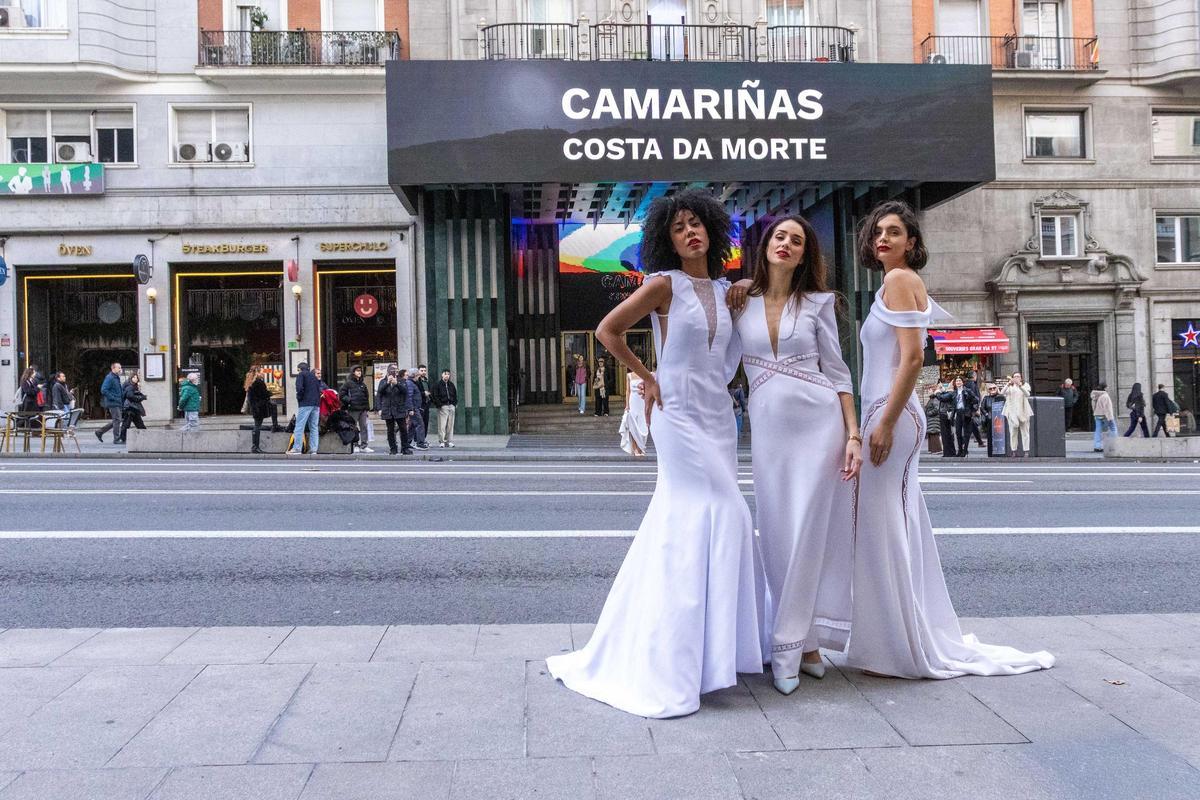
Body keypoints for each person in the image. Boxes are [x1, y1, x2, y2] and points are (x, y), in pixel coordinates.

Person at [547, 188, 762, 718]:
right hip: (679, 414)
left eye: (697, 224)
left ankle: (711, 655)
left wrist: (748, 287)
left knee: (693, 521)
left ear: (713, 231)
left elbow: (742, 336)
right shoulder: (664, 285)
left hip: (718, 415)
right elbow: (607, 330)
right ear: (666, 239)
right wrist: (647, 378)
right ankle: (679, 657)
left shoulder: (726, 288)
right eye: (679, 227)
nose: (690, 232)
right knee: (720, 513)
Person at [846, 199, 1053, 679]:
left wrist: (885, 422)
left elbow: (913, 359)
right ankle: (897, 637)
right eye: (878, 231)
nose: (883, 238)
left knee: (886, 526)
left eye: (894, 232)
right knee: (892, 522)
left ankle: (900, 645)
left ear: (912, 243)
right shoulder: (890, 284)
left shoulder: (900, 280)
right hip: (888, 413)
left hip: (891, 416)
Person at [725, 213, 861, 695]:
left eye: (796, 240)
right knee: (778, 532)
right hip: (769, 432)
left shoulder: (820, 304)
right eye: (779, 236)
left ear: (806, 254)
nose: (786, 244)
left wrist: (852, 435)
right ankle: (805, 643)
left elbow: (840, 374)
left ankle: (789, 647)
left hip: (820, 423)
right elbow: (715, 357)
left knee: (809, 532)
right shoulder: (738, 300)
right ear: (765, 246)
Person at [377, 366, 413, 456]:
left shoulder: (401, 381)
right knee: (390, 430)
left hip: (399, 409)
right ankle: (393, 449)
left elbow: (405, 392)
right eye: (393, 370)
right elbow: (379, 394)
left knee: (403, 429)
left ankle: (405, 448)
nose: (394, 372)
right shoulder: (383, 381)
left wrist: (396, 383)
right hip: (388, 409)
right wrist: (379, 408)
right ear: (388, 371)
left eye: (396, 370)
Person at [339, 366, 374, 453]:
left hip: (362, 409)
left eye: (360, 371)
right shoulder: (348, 383)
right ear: (353, 372)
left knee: (364, 427)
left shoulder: (362, 384)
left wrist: (367, 408)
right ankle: (355, 444)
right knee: (353, 427)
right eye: (357, 371)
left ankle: (364, 445)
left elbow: (366, 396)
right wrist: (350, 401)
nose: (359, 372)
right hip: (353, 408)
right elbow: (341, 394)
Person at [289, 362, 321, 455]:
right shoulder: (314, 376)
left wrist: (299, 398)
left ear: (299, 369)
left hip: (305, 403)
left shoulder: (301, 375)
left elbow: (299, 388)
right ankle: (314, 449)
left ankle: (297, 448)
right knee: (314, 427)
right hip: (316, 404)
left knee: (299, 426)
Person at [1002, 372, 1033, 457]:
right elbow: (1002, 392)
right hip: (1011, 412)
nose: (1016, 378)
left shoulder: (1025, 385)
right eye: (1015, 377)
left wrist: (1020, 385)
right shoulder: (1010, 386)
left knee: (1025, 432)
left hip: (1023, 411)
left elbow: (1028, 394)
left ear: (1021, 378)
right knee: (1013, 432)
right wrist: (1008, 384)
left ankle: (1026, 451)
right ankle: (1014, 451)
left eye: (1018, 376)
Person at [619, 370, 648, 456]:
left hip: (641, 401)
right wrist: (627, 405)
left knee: (642, 425)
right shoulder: (629, 375)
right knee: (633, 425)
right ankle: (635, 448)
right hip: (633, 401)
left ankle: (640, 447)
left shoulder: (644, 375)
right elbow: (628, 391)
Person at [96, 363, 125, 442]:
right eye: (119, 368)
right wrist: (113, 398)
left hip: (117, 402)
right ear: (113, 368)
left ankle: (100, 432)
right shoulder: (110, 377)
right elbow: (104, 390)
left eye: (120, 367)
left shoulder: (116, 377)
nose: (120, 369)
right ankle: (116, 439)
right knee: (117, 420)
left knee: (117, 420)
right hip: (113, 403)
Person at [950, 376, 978, 457]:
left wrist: (971, 409)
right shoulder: (954, 393)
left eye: (959, 381)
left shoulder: (967, 391)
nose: (958, 382)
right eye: (957, 381)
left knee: (966, 433)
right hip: (958, 413)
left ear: (962, 382)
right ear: (955, 383)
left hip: (966, 413)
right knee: (958, 433)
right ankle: (960, 450)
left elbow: (975, 400)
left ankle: (965, 450)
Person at [247, 373, 274, 454]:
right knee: (257, 426)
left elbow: (251, 398)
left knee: (257, 425)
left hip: (255, 407)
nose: (262, 373)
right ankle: (255, 447)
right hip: (260, 407)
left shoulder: (251, 384)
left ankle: (255, 446)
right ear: (257, 374)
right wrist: (270, 393)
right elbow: (264, 394)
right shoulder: (259, 383)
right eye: (260, 371)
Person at [431, 368, 458, 448]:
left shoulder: (451, 384)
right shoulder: (438, 384)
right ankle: (442, 441)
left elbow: (455, 395)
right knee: (442, 425)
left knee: (450, 425)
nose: (447, 376)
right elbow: (434, 395)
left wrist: (454, 403)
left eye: (448, 374)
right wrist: (439, 404)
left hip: (451, 406)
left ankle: (449, 441)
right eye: (445, 374)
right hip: (443, 406)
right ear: (442, 375)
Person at [118, 373, 147, 443]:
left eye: (136, 377)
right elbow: (130, 396)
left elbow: (134, 394)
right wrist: (140, 398)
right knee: (126, 424)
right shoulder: (130, 386)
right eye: (134, 377)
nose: (136, 379)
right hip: (130, 409)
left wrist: (141, 396)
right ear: (131, 378)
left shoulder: (134, 386)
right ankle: (122, 438)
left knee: (139, 423)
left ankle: (146, 436)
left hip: (134, 408)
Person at [405, 367, 429, 449]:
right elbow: (409, 397)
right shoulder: (410, 383)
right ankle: (420, 443)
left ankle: (407, 442)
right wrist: (411, 409)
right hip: (414, 408)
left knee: (412, 426)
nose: (418, 377)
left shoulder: (411, 383)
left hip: (415, 408)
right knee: (420, 424)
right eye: (418, 375)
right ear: (414, 375)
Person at [933, 382, 957, 458]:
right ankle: (949, 452)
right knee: (947, 435)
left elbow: (941, 398)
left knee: (946, 435)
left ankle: (948, 453)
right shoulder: (949, 392)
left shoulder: (951, 392)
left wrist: (937, 392)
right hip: (945, 414)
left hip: (946, 415)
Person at [1091, 381, 1117, 451]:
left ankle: (1097, 446)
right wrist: (1110, 418)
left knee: (1098, 431)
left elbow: (1093, 406)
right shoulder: (1105, 396)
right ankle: (1114, 445)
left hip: (1097, 414)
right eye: (1107, 386)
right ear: (1105, 387)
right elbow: (1107, 408)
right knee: (1113, 428)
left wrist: (1095, 412)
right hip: (1105, 415)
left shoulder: (1095, 395)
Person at [417, 364, 432, 435]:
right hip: (420, 405)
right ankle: (418, 440)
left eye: (425, 371)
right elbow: (415, 393)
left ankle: (423, 439)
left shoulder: (426, 381)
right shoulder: (417, 381)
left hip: (427, 404)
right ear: (418, 371)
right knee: (420, 423)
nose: (423, 372)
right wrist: (423, 393)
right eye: (421, 370)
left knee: (426, 422)